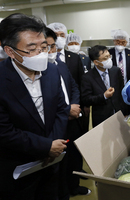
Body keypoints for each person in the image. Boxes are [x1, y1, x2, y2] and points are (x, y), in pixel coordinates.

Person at [0, 13, 69, 199]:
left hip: (51, 163)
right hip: (18, 167)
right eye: (31, 49)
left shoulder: (52, 70)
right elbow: (4, 131)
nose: (41, 54)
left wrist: (53, 146)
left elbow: (62, 109)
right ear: (10, 51)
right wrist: (45, 146)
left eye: (44, 47)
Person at [45, 28, 91, 198]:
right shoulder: (40, 71)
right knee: (59, 162)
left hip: (73, 120)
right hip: (56, 123)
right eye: (46, 47)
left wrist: (75, 104)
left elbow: (73, 86)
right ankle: (64, 191)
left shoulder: (62, 65)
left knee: (73, 155)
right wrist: (67, 110)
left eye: (52, 47)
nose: (51, 51)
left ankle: (74, 186)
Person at [81, 45, 127, 127]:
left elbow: (121, 92)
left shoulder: (115, 71)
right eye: (105, 58)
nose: (109, 60)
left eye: (109, 56)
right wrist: (104, 96)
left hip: (119, 114)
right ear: (96, 62)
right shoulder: (87, 77)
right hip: (101, 118)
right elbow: (86, 99)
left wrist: (125, 112)